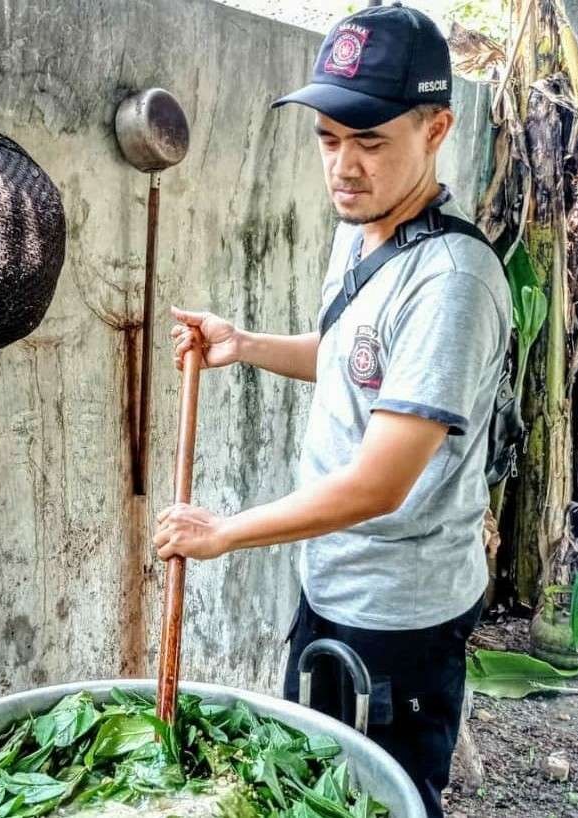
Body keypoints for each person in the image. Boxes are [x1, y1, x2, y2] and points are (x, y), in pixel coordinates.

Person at [152, 4, 510, 816]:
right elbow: (358, 368)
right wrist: (243, 345)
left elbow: (379, 483)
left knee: (381, 801)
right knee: (305, 791)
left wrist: (224, 534)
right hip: (331, 583)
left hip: (400, 616)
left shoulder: (450, 283)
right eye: (327, 138)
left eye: (370, 140)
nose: (343, 166)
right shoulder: (363, 234)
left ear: (436, 128)